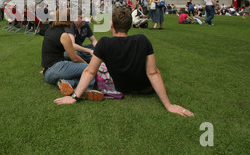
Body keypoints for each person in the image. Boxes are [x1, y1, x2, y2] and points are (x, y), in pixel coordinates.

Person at [54, 7, 194, 117]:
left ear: (112, 25)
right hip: (146, 89)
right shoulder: (142, 40)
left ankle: (76, 86)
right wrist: (168, 105)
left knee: (101, 69)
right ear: (130, 26)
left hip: (122, 87)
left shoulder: (104, 43)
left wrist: (74, 97)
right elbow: (153, 73)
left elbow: (90, 71)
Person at [41, 8, 103, 100]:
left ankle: (68, 82)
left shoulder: (50, 30)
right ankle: (86, 90)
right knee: (90, 71)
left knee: (82, 71)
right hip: (57, 68)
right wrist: (87, 66)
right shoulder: (63, 35)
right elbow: (74, 57)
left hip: (47, 73)